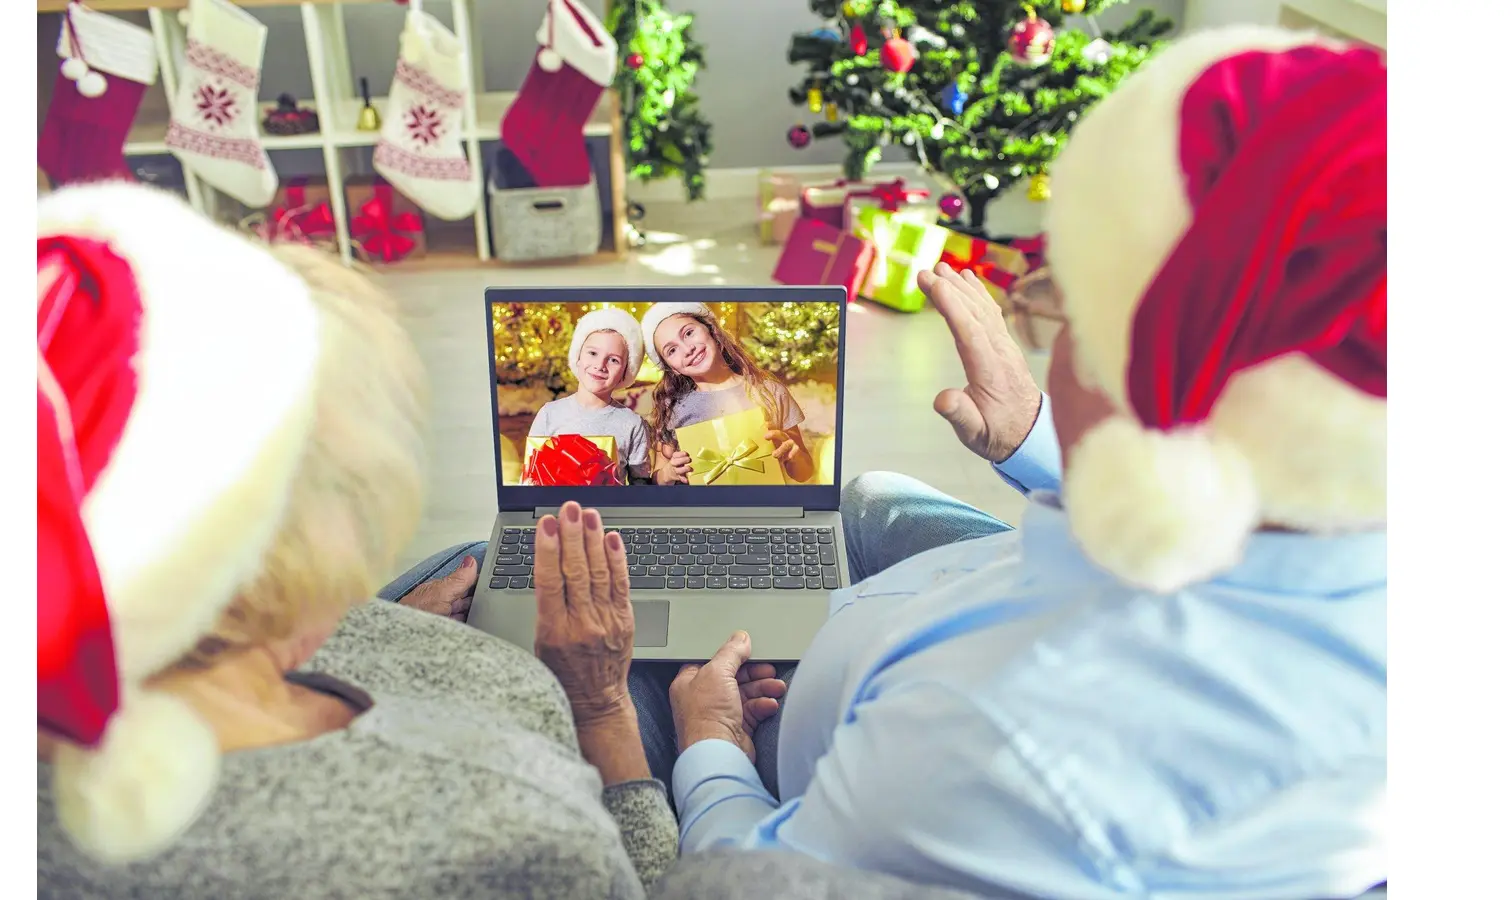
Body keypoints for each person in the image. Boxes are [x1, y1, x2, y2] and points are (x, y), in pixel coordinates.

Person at [656, 27, 1387, 900]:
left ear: (1159, 386)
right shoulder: (1353, 506)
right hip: (947, 607)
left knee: (570, 626)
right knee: (870, 497)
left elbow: (739, 877)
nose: (1051, 341)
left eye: (1066, 312)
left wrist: (708, 741)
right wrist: (1038, 436)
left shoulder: (994, 742)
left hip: (797, 756)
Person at [36, 182, 678, 898]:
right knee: (662, 673)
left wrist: (378, 625)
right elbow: (646, 885)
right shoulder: (511, 812)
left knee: (471, 559)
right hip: (547, 726)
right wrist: (602, 708)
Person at [639, 301, 815, 485]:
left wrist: (793, 454)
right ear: (671, 368)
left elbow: (804, 473)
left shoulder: (770, 392)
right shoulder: (674, 409)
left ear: (711, 329)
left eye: (689, 333)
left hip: (763, 510)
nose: (688, 349)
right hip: (701, 512)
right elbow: (656, 479)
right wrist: (668, 473)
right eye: (672, 350)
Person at [524, 307, 652, 485]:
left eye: (613, 360)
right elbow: (530, 477)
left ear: (625, 372)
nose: (600, 365)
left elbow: (641, 484)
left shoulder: (633, 424)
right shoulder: (549, 414)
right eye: (592, 353)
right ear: (578, 356)